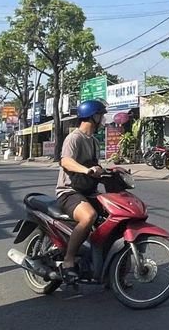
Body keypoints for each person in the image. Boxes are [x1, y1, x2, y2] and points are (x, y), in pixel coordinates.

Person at [55, 99, 107, 284]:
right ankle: (68, 261)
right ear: (92, 117)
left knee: (113, 216)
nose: (103, 119)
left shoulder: (94, 141)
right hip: (68, 191)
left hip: (87, 191)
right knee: (89, 216)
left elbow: (95, 166)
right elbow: (66, 161)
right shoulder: (74, 138)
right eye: (101, 115)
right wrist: (86, 170)